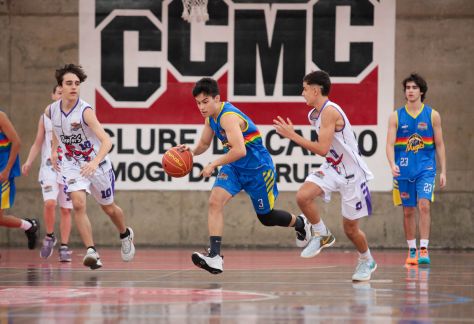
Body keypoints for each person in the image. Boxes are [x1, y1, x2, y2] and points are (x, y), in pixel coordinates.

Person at [181, 77, 312, 275]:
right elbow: (204, 144)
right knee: (214, 202)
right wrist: (190, 152)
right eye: (198, 103)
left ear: (217, 98)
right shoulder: (210, 118)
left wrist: (213, 164)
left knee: (266, 218)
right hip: (235, 168)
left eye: (205, 102)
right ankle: (215, 257)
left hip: (258, 169)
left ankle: (302, 223)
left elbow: (240, 150)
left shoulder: (228, 117)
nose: (201, 107)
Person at [273, 70, 377, 281]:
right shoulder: (314, 114)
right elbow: (326, 152)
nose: (302, 93)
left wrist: (293, 136)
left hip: (352, 175)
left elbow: (321, 148)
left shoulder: (329, 111)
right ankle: (322, 233)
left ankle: (367, 260)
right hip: (332, 167)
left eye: (304, 89)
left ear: (315, 89)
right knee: (303, 196)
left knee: (350, 229)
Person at [44, 64, 135, 270]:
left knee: (109, 209)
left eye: (77, 83)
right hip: (72, 164)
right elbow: (58, 131)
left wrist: (94, 162)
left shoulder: (85, 111)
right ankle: (92, 251)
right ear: (61, 87)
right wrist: (54, 149)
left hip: (98, 164)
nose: (74, 87)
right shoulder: (51, 111)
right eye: (69, 83)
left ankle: (125, 234)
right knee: (77, 203)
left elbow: (107, 141)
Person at [386, 73, 446, 266]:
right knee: (408, 211)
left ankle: (423, 248)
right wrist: (391, 163)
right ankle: (411, 249)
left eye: (414, 87)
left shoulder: (432, 115)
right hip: (403, 170)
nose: (410, 91)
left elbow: (440, 144)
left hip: (426, 170)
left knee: (424, 205)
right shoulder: (396, 116)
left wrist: (443, 170)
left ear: (421, 91)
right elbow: (389, 144)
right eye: (408, 88)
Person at [22, 85, 73, 262]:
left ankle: (64, 246)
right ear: (53, 96)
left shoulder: (75, 116)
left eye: (63, 93)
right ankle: (50, 236)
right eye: (58, 93)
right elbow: (37, 143)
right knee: (50, 203)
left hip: (69, 168)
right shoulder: (45, 117)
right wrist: (28, 161)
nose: (61, 96)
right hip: (49, 166)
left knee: (66, 209)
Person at [0, 109, 39, 249]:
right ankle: (29, 226)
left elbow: (16, 143)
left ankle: (29, 226)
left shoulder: (0, 116)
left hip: (3, 175)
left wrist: (6, 170)